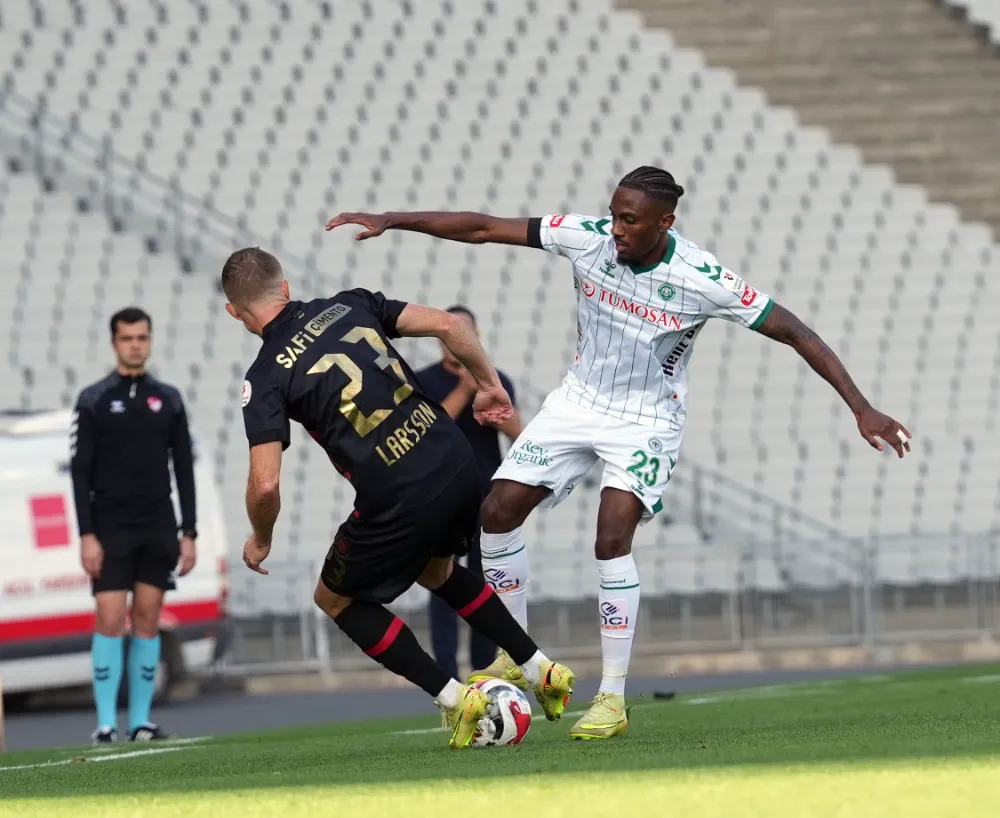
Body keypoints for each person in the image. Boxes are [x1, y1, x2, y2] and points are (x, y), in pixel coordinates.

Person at [326, 165, 913, 740]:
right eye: (613, 215)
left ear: (665, 222)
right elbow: (485, 228)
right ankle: (516, 655)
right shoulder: (588, 240)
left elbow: (797, 333)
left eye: (630, 220)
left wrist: (860, 406)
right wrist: (393, 220)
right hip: (577, 400)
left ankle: (611, 697)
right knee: (495, 512)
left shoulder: (701, 276)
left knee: (611, 537)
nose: (616, 229)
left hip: (646, 419)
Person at [219, 247, 575, 750]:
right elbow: (451, 326)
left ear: (234, 311)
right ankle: (542, 669)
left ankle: (457, 701)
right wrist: (490, 385)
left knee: (334, 597)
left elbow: (265, 484)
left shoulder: (265, 377)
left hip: (398, 492)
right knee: (438, 572)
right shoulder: (351, 303)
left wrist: (260, 537)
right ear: (286, 288)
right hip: (455, 462)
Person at [70, 307, 198, 745]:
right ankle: (106, 724)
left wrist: (190, 532)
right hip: (110, 525)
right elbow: (79, 472)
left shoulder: (170, 398)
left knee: (147, 617)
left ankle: (141, 722)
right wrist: (87, 534)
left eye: (142, 337)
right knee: (109, 619)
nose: (136, 344)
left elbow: (184, 469)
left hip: (158, 523)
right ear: (114, 343)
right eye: (127, 338)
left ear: (150, 339)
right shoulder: (93, 400)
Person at [415, 305, 523, 684]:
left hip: (485, 498)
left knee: (484, 585)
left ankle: (483, 673)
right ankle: (446, 676)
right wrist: (464, 387)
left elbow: (518, 431)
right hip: (438, 497)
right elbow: (427, 430)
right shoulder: (422, 381)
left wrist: (488, 393)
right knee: (442, 582)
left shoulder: (495, 379)